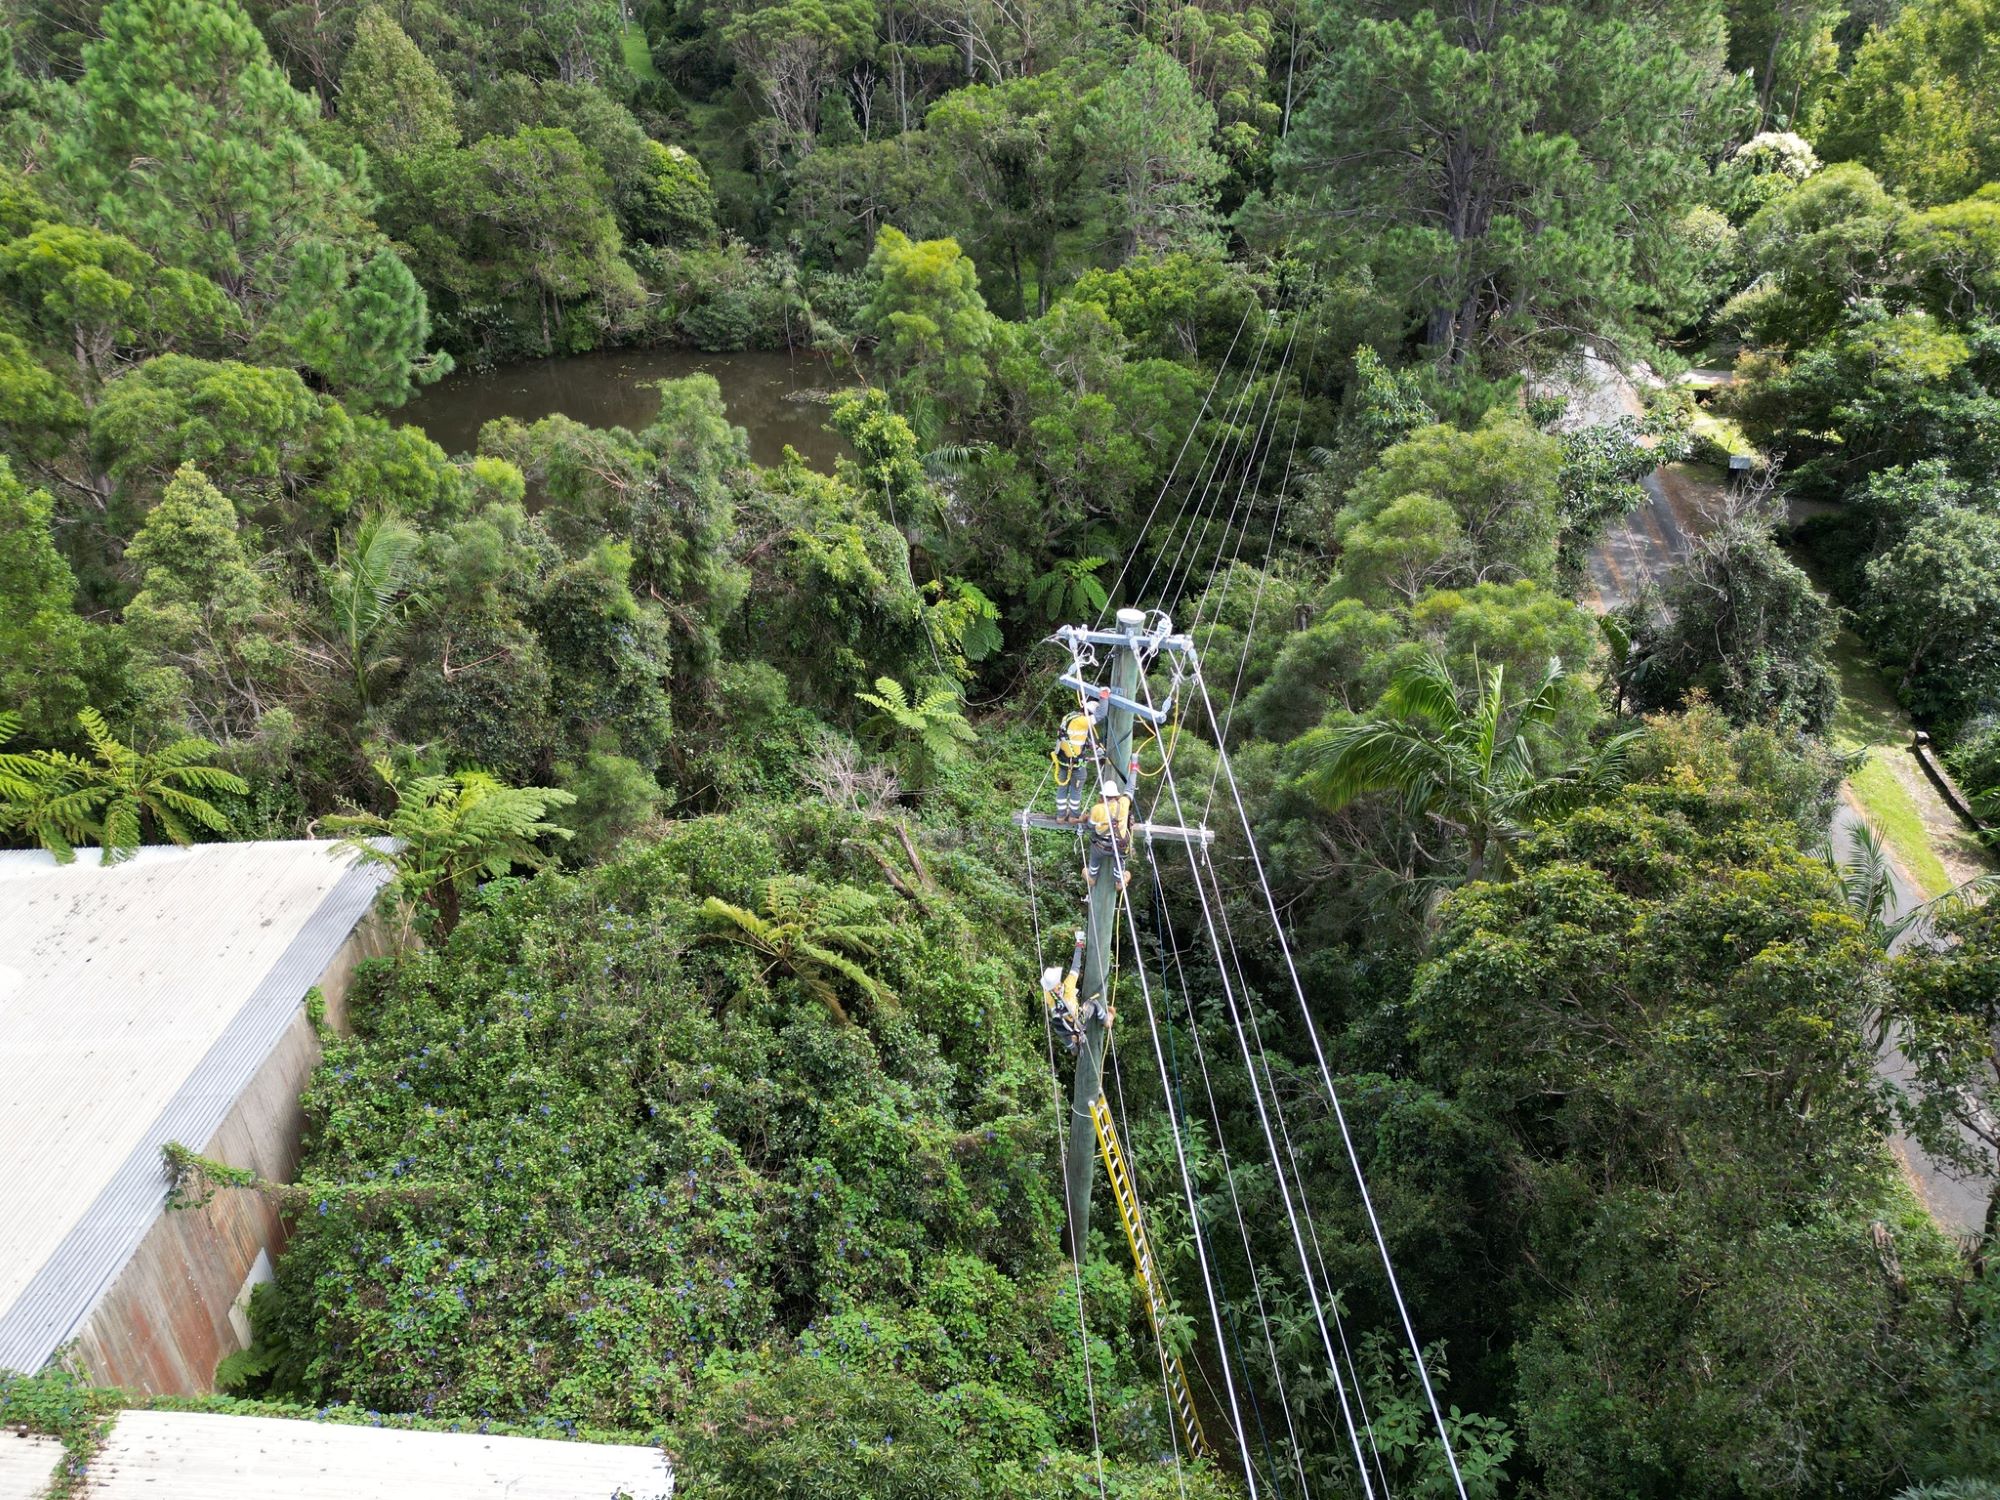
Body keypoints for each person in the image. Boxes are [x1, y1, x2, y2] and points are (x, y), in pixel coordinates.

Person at [1050, 701, 1101, 823]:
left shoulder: (1069, 717)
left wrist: (1090, 745)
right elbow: (1100, 714)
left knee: (1062, 787)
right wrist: (1104, 696)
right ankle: (1073, 816)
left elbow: (1073, 737)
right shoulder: (1082, 721)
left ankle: (1061, 816)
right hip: (1076, 765)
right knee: (1076, 789)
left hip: (1063, 761)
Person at [1041, 930, 1087, 1053]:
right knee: (1091, 1007)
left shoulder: (1048, 996)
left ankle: (1072, 1047)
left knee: (1063, 1031)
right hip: (1075, 1022)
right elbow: (1075, 966)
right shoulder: (1068, 985)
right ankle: (1075, 1042)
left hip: (1064, 1028)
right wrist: (1079, 943)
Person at [1084, 777, 1133, 889]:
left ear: (1103, 795)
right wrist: (1134, 768)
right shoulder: (1124, 803)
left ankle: (1091, 875)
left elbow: (1090, 826)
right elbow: (1130, 790)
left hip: (1100, 847)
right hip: (1118, 848)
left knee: (1090, 874)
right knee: (1120, 881)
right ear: (1116, 795)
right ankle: (1120, 880)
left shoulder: (1097, 809)